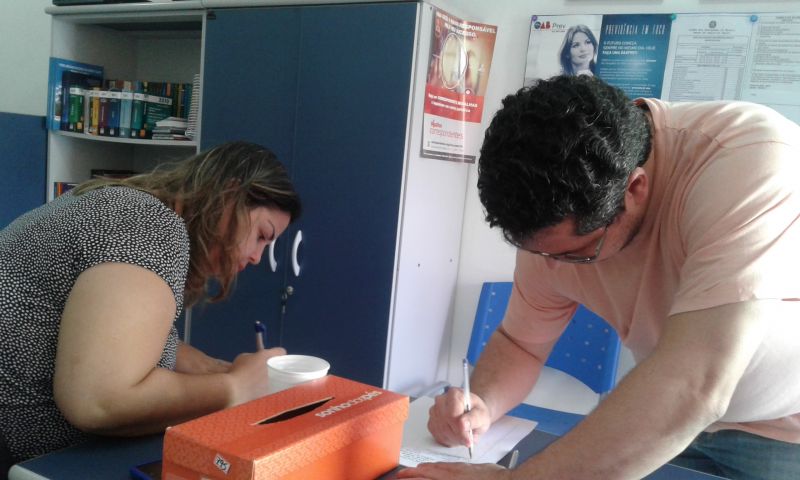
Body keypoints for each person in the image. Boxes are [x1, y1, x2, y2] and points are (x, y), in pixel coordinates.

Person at [398, 75, 800, 479]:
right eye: (537, 252)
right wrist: (483, 402)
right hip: (665, 420)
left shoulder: (747, 159)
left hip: (780, 434)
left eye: (576, 253)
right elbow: (522, 344)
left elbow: (694, 383)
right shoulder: (548, 216)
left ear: (635, 189)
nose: (552, 265)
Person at [0, 141, 301, 474]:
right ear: (229, 195)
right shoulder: (150, 228)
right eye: (261, 235)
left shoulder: (130, 208)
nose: (257, 257)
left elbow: (130, 340)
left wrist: (219, 370)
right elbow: (97, 400)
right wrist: (236, 388)